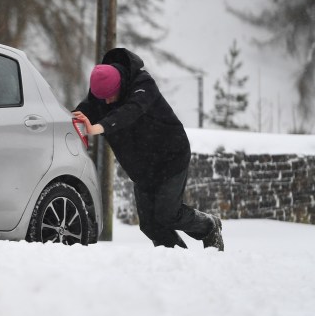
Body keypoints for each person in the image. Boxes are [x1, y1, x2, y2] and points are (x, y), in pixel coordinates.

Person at [72, 48, 224, 250]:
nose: (106, 102)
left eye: (110, 96)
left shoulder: (143, 85)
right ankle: (176, 260)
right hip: (141, 167)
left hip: (171, 157)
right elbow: (86, 108)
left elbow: (129, 112)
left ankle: (208, 226)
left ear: (120, 84)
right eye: (102, 98)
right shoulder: (101, 94)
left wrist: (98, 127)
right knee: (150, 226)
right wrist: (73, 117)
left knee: (167, 214)